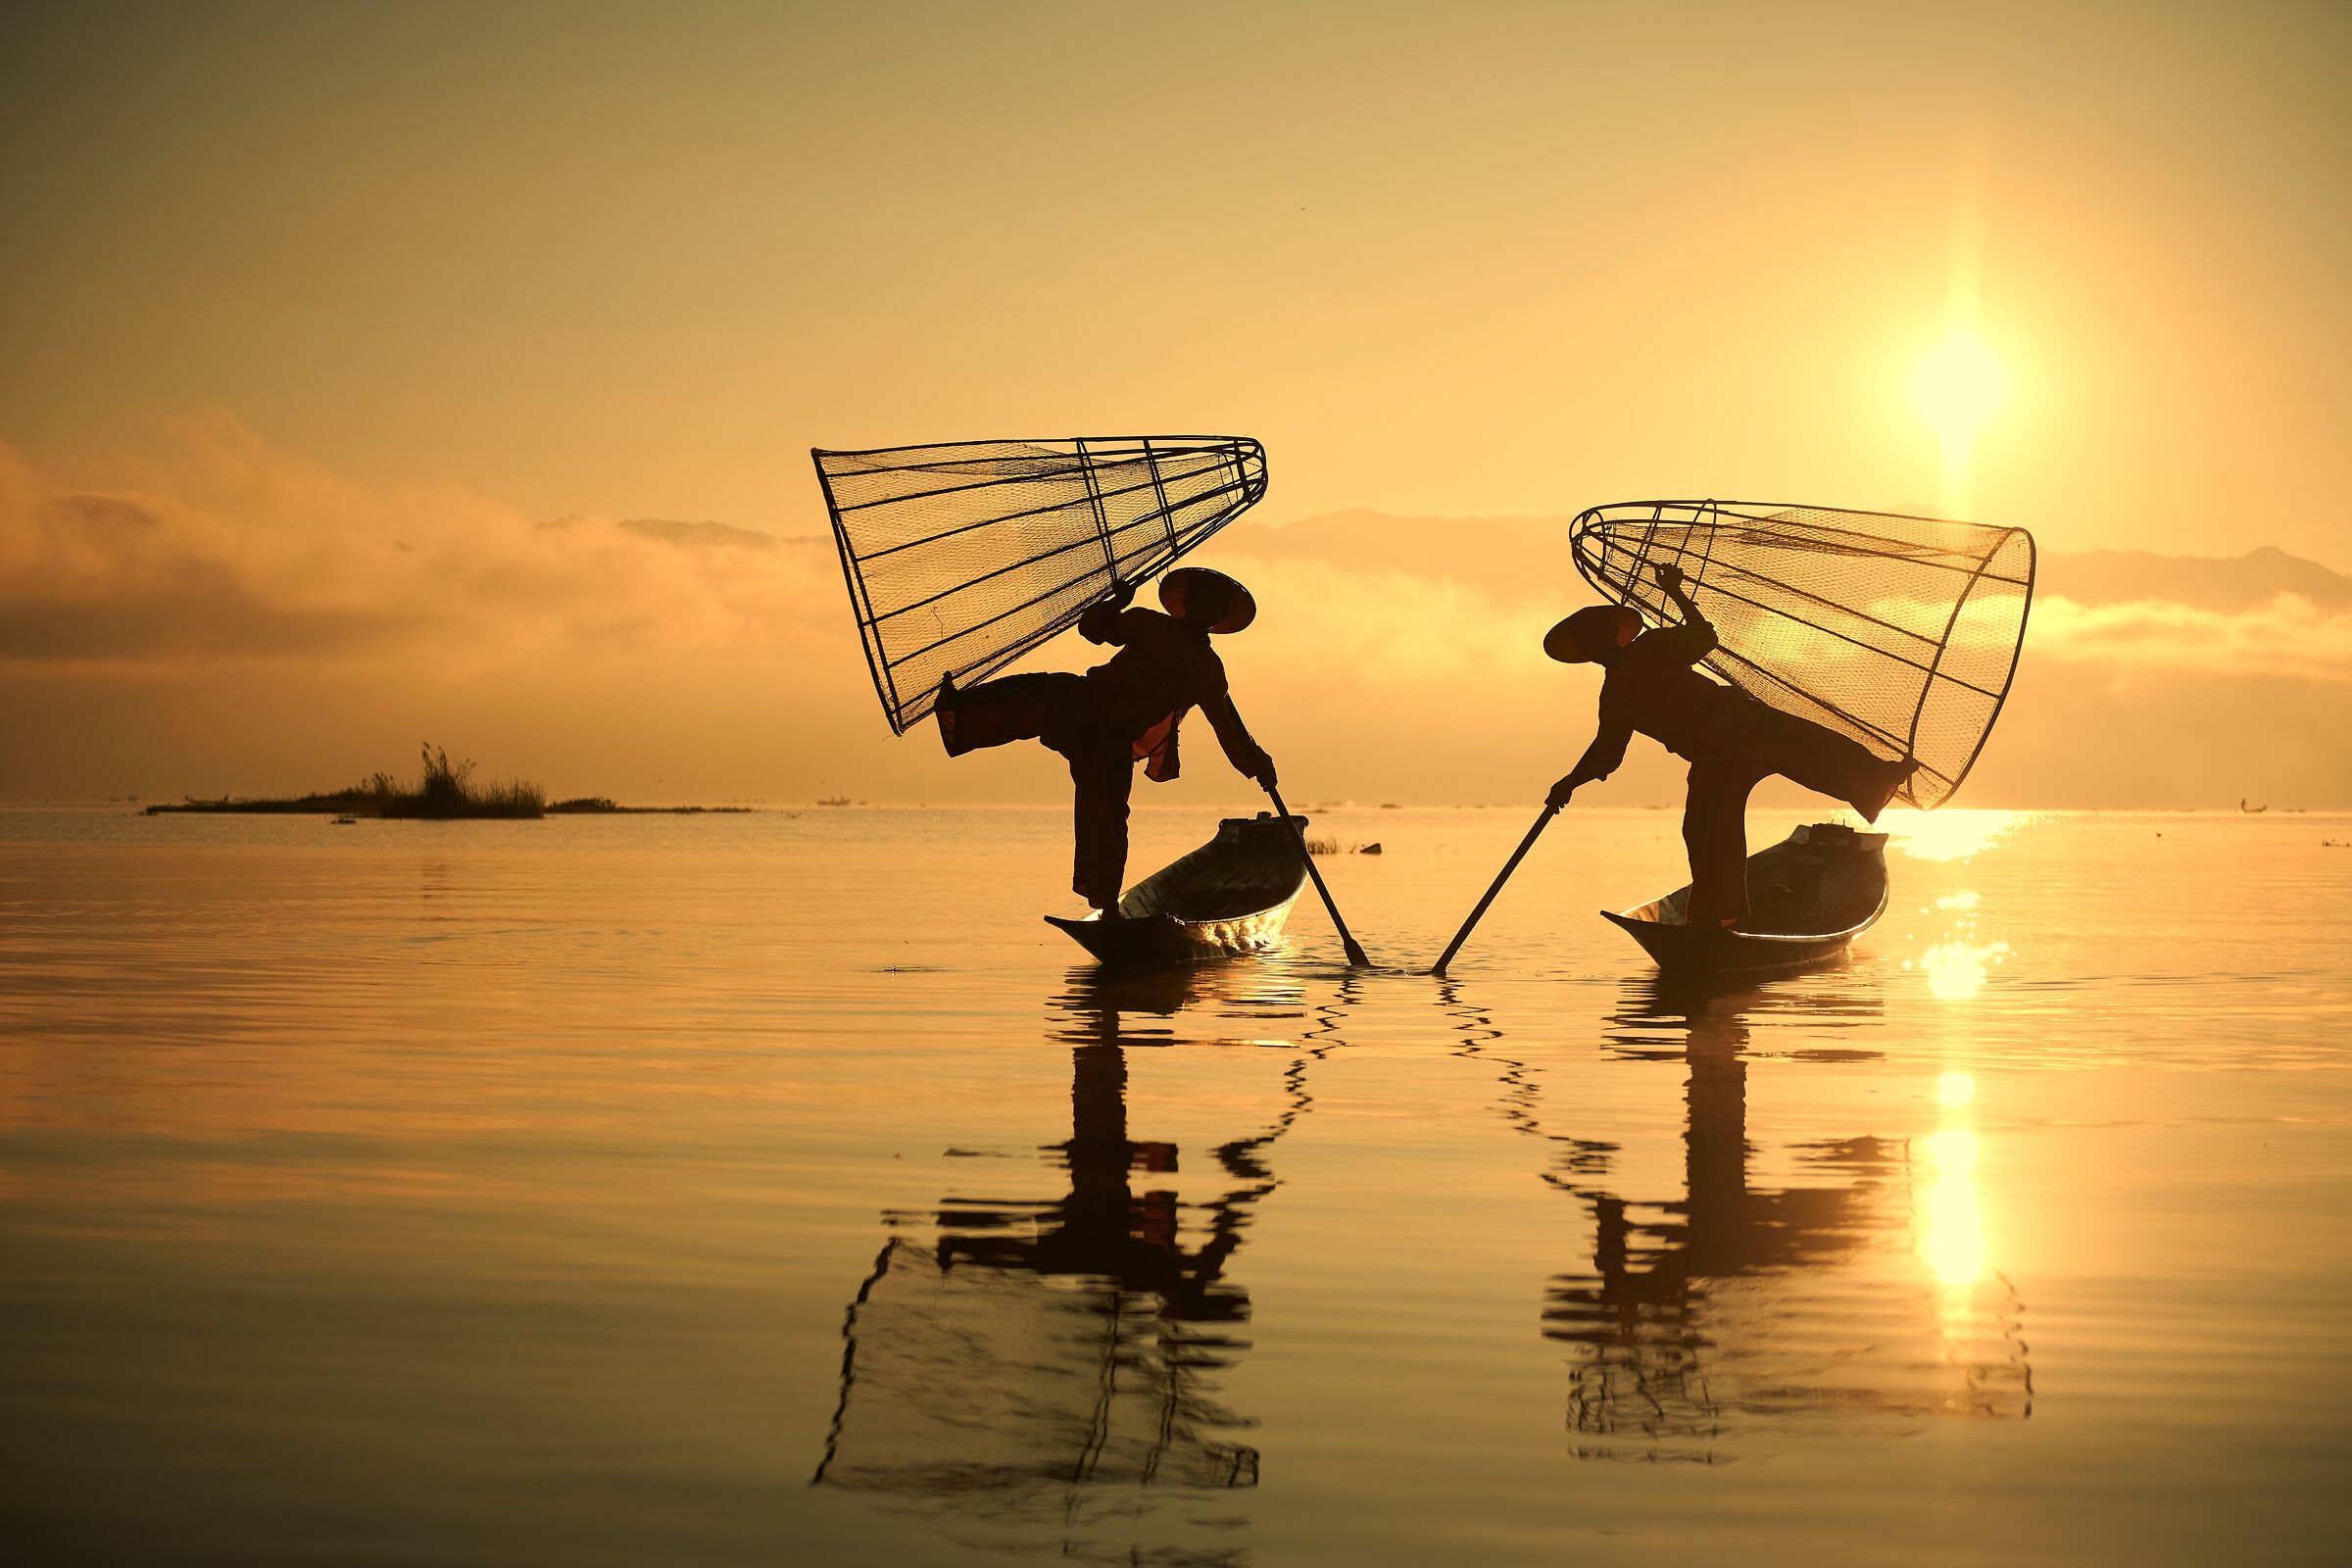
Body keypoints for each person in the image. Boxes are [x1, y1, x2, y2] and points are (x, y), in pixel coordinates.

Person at [1544, 563, 1912, 929]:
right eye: (1587, 645)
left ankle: (1882, 774)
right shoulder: (1615, 698)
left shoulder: (1653, 647)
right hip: (1712, 757)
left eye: (1594, 638)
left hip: (1744, 725)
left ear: (1609, 636)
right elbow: (1605, 755)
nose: (1594, 649)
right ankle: (1719, 918)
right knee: (1703, 832)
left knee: (1813, 751)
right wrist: (1569, 783)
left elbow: (1703, 637)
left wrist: (1675, 591)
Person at [933, 566, 1276, 916]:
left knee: (1109, 823)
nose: (1207, 607)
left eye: (1215, 603)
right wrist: (1115, 604)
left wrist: (1257, 764)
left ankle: (1109, 908)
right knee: (1030, 693)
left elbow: (1228, 727)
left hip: (1114, 743)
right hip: (1083, 703)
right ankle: (958, 712)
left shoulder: (1208, 671)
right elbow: (1095, 630)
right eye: (1201, 598)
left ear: (1219, 614)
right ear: (1187, 602)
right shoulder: (1150, 624)